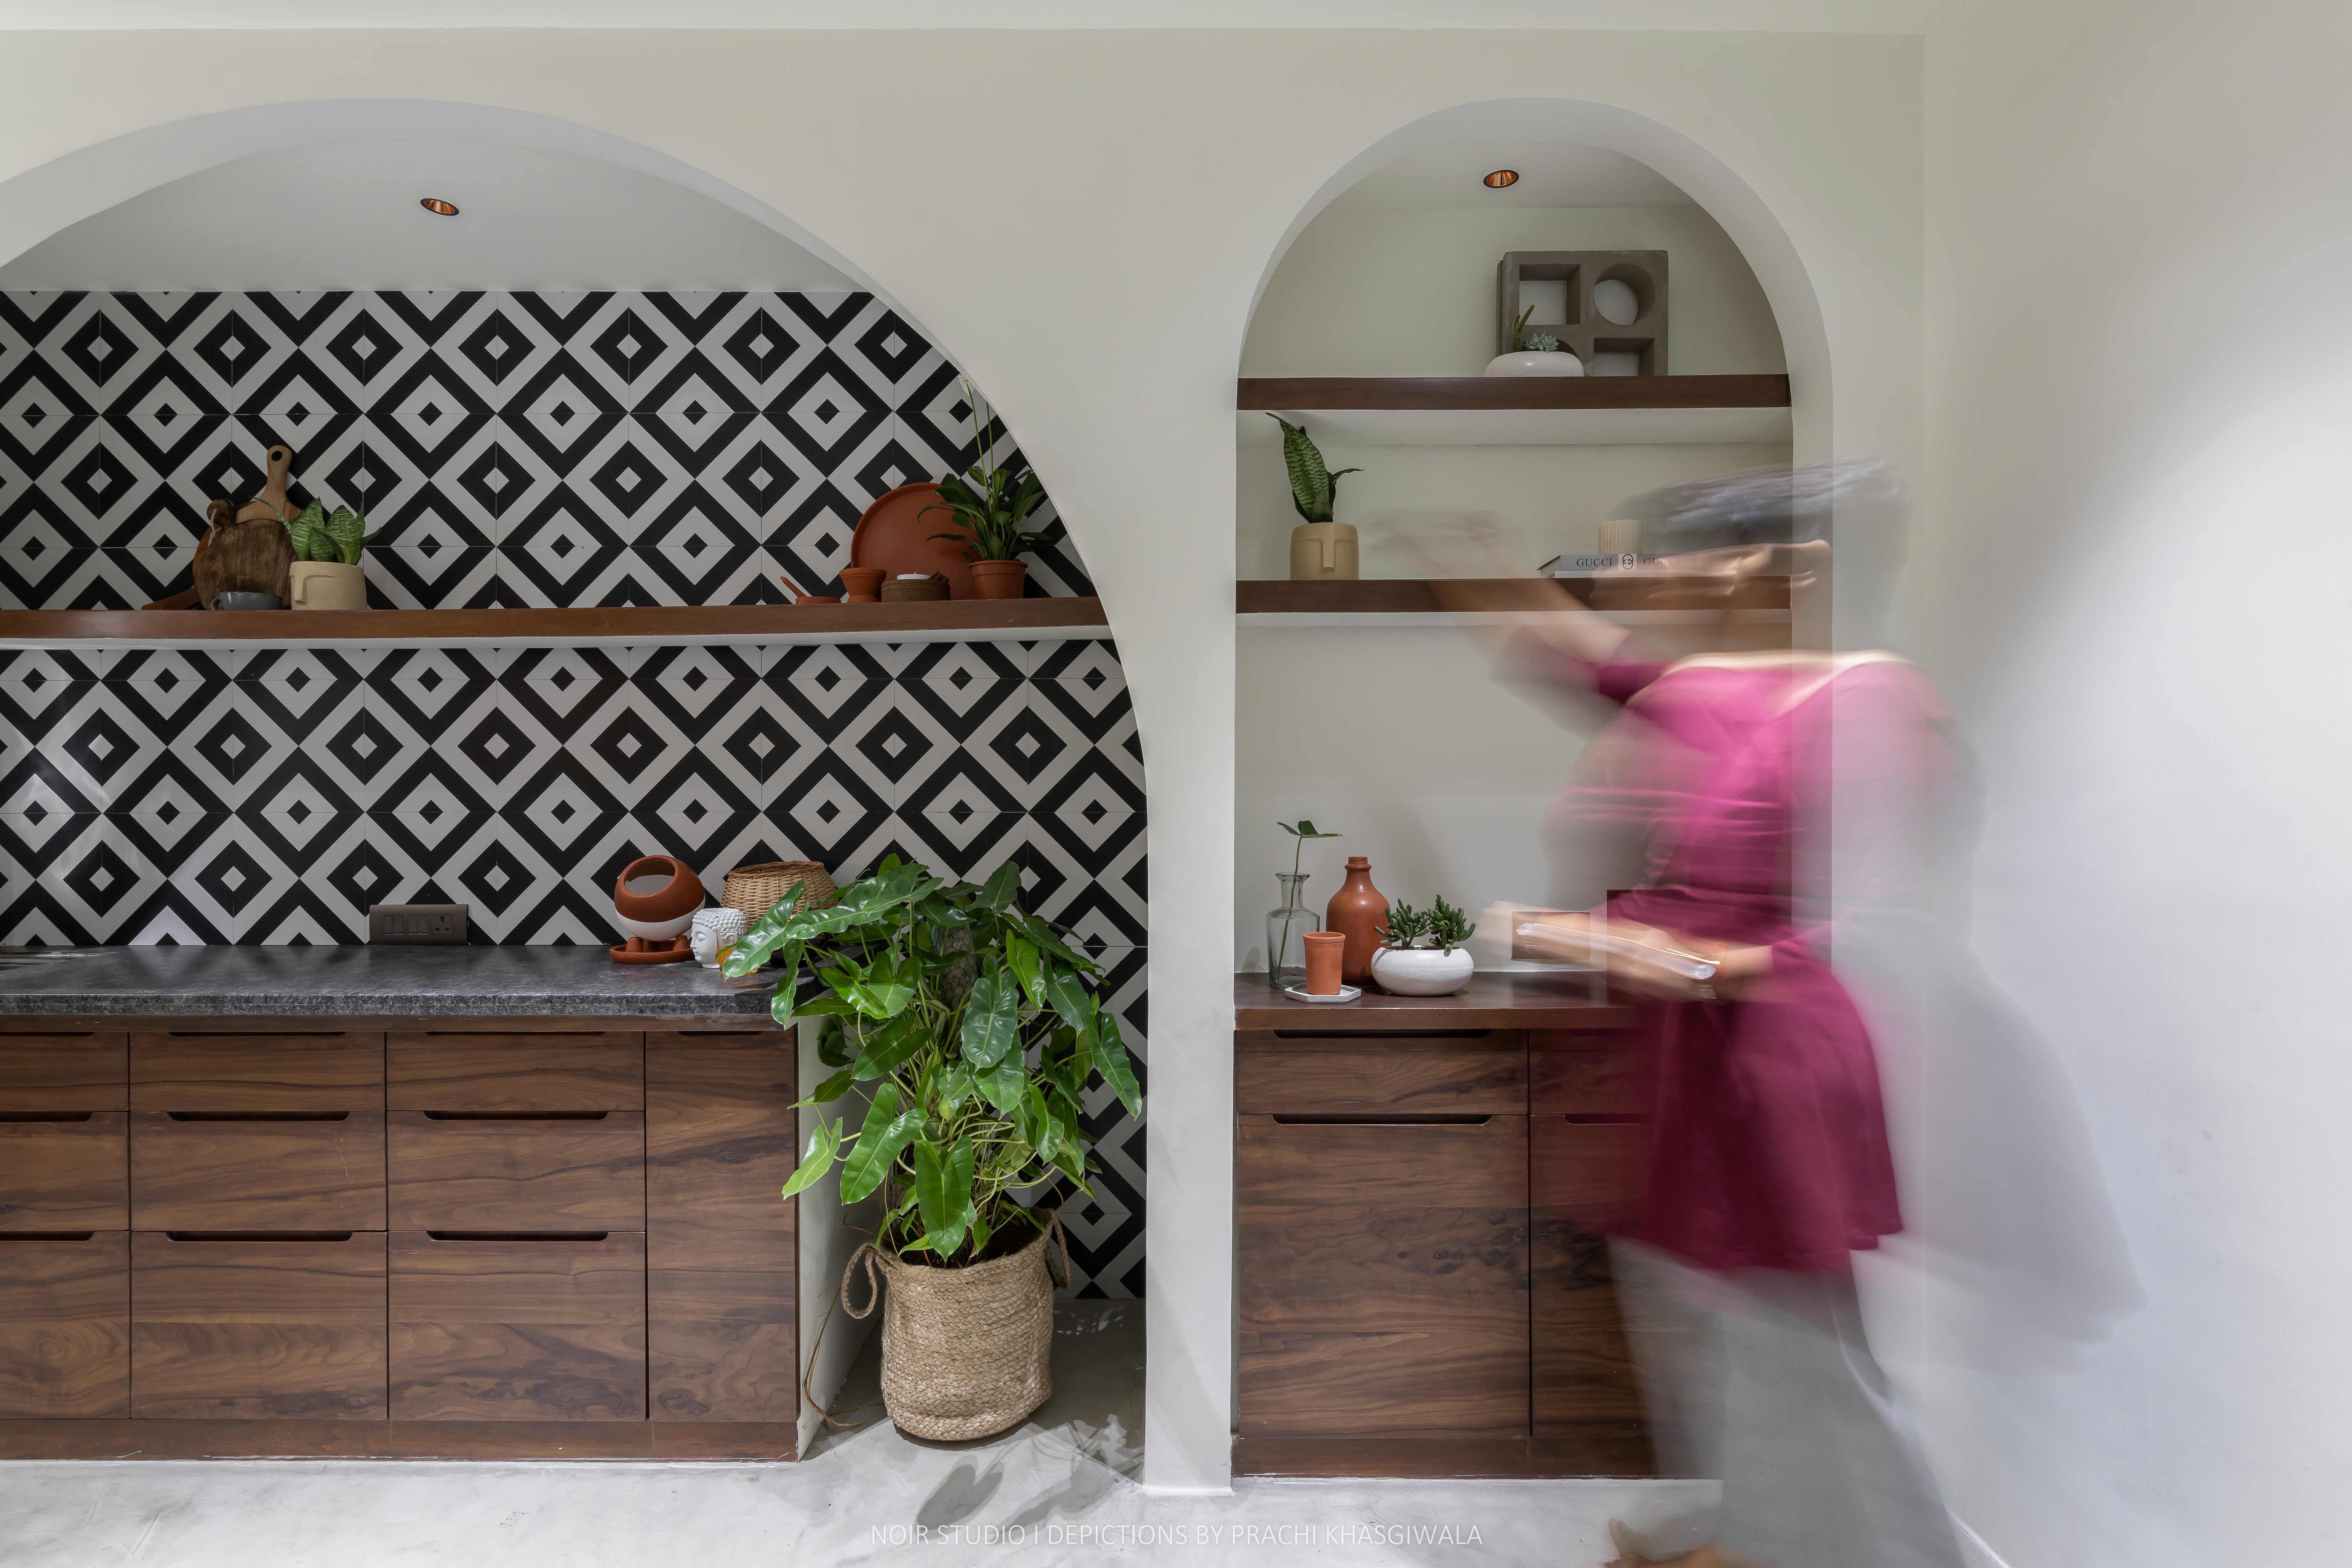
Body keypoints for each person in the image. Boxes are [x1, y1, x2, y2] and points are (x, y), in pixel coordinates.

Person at [1439, 462, 1970, 1568]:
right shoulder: (1721, 686)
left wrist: (1636, 950)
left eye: (1676, 551)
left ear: (1770, 565)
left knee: (1806, 1355)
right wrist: (1478, 570)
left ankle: (1904, 1553)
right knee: (1726, 1339)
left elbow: (1881, 928)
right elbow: (1597, 669)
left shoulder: (1872, 703)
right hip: (1696, 1054)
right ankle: (1750, 1540)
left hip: (1780, 1064)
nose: (1652, 575)